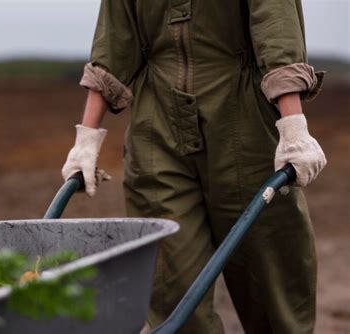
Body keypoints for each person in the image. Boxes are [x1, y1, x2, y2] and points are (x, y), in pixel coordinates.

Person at [62, 0, 326, 333]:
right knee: (173, 292)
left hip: (245, 127)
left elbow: (276, 30)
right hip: (157, 134)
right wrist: (85, 141)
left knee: (273, 287)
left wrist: (293, 127)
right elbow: (114, 43)